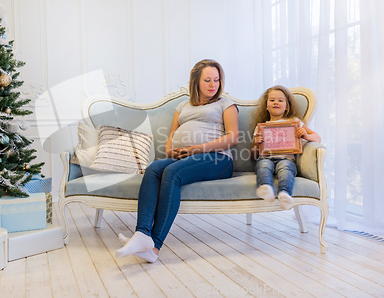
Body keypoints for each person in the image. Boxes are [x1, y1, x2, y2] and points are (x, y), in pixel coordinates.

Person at [115, 59, 239, 263]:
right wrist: (170, 150)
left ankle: (154, 247)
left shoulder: (225, 104)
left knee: (172, 173)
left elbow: (233, 138)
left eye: (216, 80)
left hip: (218, 159)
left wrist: (196, 149)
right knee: (154, 168)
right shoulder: (182, 106)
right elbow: (172, 134)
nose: (213, 84)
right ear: (195, 82)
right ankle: (141, 234)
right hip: (188, 157)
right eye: (207, 80)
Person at [250, 85, 321, 210]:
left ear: (287, 107)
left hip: (287, 159)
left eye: (280, 100)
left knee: (285, 168)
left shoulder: (294, 122)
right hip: (265, 158)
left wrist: (305, 136)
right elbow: (252, 155)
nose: (276, 102)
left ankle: (284, 193)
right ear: (266, 106)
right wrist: (256, 144)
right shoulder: (261, 127)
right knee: (263, 165)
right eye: (272, 100)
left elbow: (317, 138)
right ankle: (265, 187)